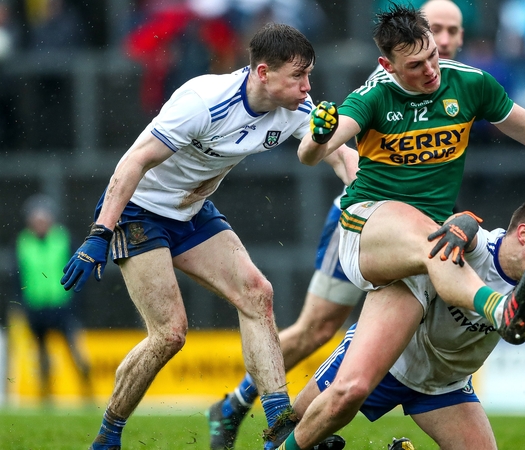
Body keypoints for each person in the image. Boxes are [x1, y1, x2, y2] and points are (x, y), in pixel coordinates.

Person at [270, 4, 525, 448]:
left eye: (432, 56)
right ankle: (502, 310)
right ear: (387, 66)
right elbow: (308, 155)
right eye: (415, 66)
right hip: (369, 227)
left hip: (428, 256)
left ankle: (282, 445)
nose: (430, 70)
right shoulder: (373, 96)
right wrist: (320, 136)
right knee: (435, 242)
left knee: (350, 391)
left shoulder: (470, 83)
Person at [59, 23, 357, 450]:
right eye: (298, 76)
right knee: (170, 334)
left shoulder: (295, 108)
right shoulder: (203, 101)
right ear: (262, 73)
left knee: (258, 293)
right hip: (138, 212)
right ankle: (108, 436)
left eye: (308, 75)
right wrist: (99, 233)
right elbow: (134, 161)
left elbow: (342, 154)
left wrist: (362, 199)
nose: (307, 87)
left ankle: (279, 429)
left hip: (191, 212)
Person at [206, 2, 464, 448]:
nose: (442, 38)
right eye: (434, 28)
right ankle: (238, 405)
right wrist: (364, 206)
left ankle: (296, 427)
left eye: (451, 30)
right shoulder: (388, 85)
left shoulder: (458, 83)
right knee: (317, 328)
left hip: (413, 232)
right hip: (365, 226)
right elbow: (341, 152)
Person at [291, 198, 525, 450]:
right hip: (389, 360)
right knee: (295, 424)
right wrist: (462, 224)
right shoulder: (482, 249)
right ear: (523, 233)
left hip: (445, 387)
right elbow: (463, 227)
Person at [16, 194, 92, 405]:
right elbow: (18, 276)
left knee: (76, 351)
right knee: (42, 355)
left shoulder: (64, 239)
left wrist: (75, 301)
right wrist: (22, 303)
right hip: (36, 306)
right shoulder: (23, 242)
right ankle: (46, 395)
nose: (40, 223)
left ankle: (88, 392)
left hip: (62, 305)